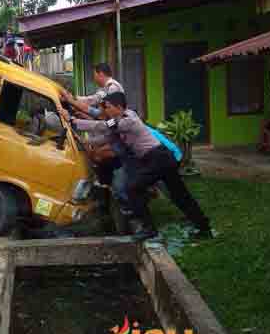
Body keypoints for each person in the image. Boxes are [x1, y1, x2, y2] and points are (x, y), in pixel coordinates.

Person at [84, 92, 212, 241]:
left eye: (107, 107)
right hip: (161, 158)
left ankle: (149, 229)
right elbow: (105, 137)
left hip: (159, 158)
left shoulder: (128, 119)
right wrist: (84, 141)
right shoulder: (120, 121)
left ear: (118, 107)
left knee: (133, 187)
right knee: (178, 194)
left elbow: (103, 127)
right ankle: (204, 227)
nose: (105, 111)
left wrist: (75, 122)